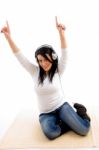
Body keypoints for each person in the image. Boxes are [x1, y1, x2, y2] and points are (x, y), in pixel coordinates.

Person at [1, 17, 91, 140]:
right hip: (46, 113)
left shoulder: (58, 70)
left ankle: (80, 110)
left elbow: (65, 53)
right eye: (40, 60)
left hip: (62, 106)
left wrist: (61, 34)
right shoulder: (34, 71)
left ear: (52, 58)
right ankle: (68, 123)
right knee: (51, 133)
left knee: (84, 129)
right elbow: (19, 56)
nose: (43, 63)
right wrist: (8, 37)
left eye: (46, 59)